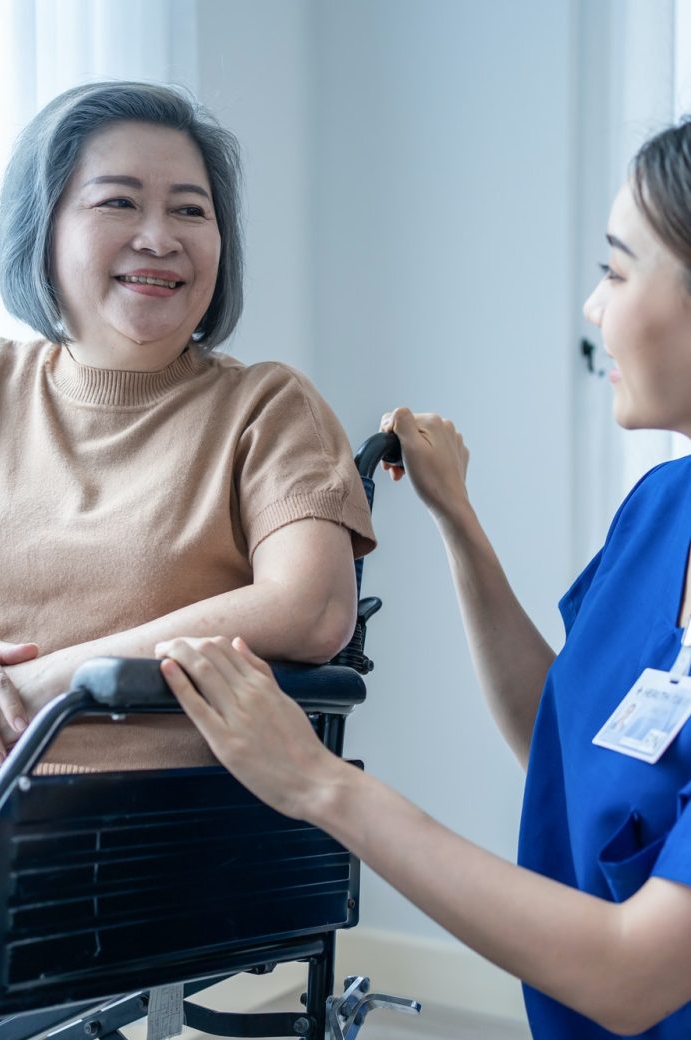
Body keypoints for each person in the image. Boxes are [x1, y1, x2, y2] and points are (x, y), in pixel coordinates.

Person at [158, 117, 691, 1039]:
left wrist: (319, 784)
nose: (592, 309)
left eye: (615, 269)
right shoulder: (663, 510)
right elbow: (563, 743)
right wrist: (459, 522)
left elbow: (635, 973)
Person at [0, 81, 375, 1013]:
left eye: (192, 210)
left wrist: (48, 678)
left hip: (106, 810)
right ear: (45, 228)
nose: (160, 236)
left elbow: (311, 606)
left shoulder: (266, 407)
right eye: (118, 203)